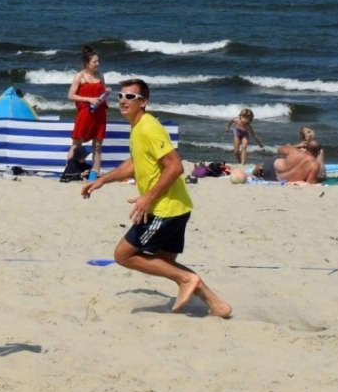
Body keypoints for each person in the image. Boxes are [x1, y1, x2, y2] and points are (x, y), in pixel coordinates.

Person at [81, 78, 232, 318]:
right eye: (120, 95)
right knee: (164, 262)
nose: (123, 100)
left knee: (124, 255)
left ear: (144, 102)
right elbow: (134, 164)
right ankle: (217, 304)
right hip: (177, 207)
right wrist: (102, 180)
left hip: (164, 209)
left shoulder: (149, 127)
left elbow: (176, 166)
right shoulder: (138, 127)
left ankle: (187, 280)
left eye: (130, 97)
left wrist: (148, 198)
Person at [67, 45, 110, 178]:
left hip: (99, 113)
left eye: (98, 61)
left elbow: (102, 92)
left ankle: (94, 172)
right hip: (85, 112)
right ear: (87, 63)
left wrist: (106, 91)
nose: (98, 63)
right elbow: (71, 96)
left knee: (97, 145)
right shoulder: (79, 76)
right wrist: (89, 99)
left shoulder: (100, 74)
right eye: (94, 61)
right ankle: (70, 170)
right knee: (77, 143)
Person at [251, 140, 323, 184]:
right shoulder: (315, 165)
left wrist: (297, 146)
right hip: (277, 180)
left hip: (269, 167)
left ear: (306, 147)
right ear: (318, 152)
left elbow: (280, 149)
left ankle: (258, 168)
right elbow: (310, 183)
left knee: (280, 158)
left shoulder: (295, 151)